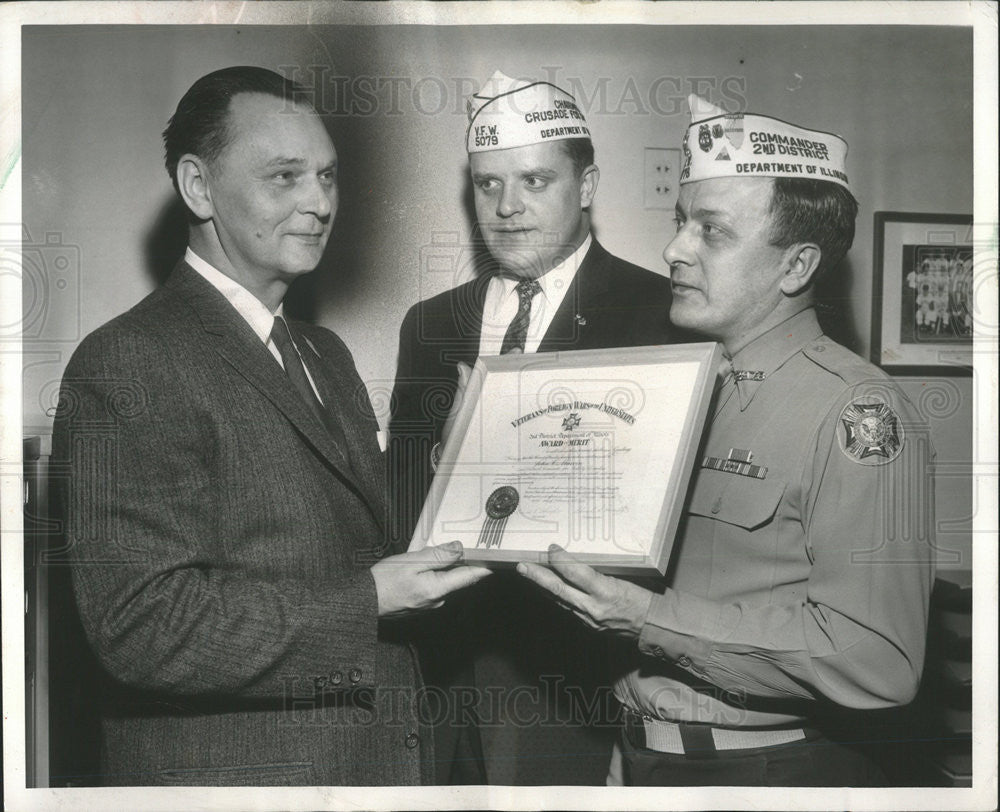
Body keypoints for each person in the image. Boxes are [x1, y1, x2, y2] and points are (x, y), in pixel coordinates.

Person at [50, 66, 489, 787]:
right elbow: (140, 626)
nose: (319, 202)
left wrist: (462, 465)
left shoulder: (325, 353)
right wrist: (368, 601)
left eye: (327, 175)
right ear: (198, 187)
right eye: (284, 177)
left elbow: (351, 545)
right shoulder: (125, 360)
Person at [517, 95, 936, 787]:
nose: (673, 249)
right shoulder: (674, 386)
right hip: (646, 754)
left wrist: (649, 620)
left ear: (795, 267)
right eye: (681, 222)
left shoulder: (857, 412)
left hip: (769, 772)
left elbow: (877, 662)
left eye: (711, 231)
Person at [388, 71, 683, 785]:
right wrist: (447, 458)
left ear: (586, 186)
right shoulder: (431, 324)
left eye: (534, 181)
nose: (508, 207)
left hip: (573, 679)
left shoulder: (659, 311)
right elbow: (398, 500)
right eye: (487, 186)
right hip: (436, 669)